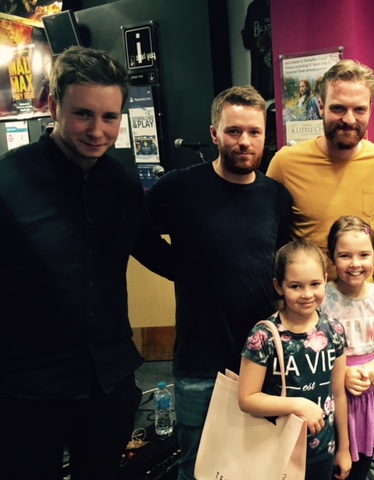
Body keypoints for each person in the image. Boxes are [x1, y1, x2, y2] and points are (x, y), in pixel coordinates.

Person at [0, 46, 163, 479]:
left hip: (108, 381)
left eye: (110, 117)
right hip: (27, 389)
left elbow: (158, 254)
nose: (97, 131)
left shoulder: (123, 182)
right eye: (83, 114)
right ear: (54, 107)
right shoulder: (8, 180)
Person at [144, 85, 292, 479]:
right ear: (214, 134)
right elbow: (135, 230)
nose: (244, 142)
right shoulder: (179, 188)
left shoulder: (276, 197)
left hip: (261, 360)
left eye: (254, 132)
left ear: (265, 135)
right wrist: (179, 267)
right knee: (198, 468)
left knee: (256, 465)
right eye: (233, 131)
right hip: (200, 361)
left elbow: (283, 264)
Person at [238, 239, 351, 480]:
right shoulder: (263, 336)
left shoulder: (335, 331)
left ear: (325, 280)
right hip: (275, 447)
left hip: (322, 449)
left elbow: (338, 393)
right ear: (279, 286)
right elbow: (247, 398)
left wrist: (344, 448)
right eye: (296, 286)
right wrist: (298, 405)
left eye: (315, 284)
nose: (307, 294)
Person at [267, 59, 374, 276]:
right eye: (338, 108)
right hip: (309, 293)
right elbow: (265, 231)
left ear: (370, 110)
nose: (349, 119)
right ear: (321, 106)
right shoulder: (285, 163)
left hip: (361, 291)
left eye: (359, 109)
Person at [321, 215, 374, 480]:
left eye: (364, 255)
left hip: (368, 395)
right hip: (330, 393)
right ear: (331, 258)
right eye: (345, 256)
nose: (355, 264)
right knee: (329, 467)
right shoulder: (321, 299)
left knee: (360, 466)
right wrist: (342, 374)